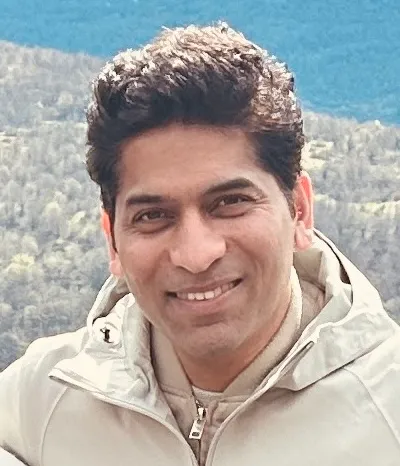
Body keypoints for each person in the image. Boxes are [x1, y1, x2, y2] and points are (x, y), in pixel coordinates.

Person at [1, 22, 400, 466]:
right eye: (153, 216)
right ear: (112, 241)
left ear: (300, 211)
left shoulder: (388, 410)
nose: (195, 255)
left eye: (230, 203)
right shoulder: (39, 404)